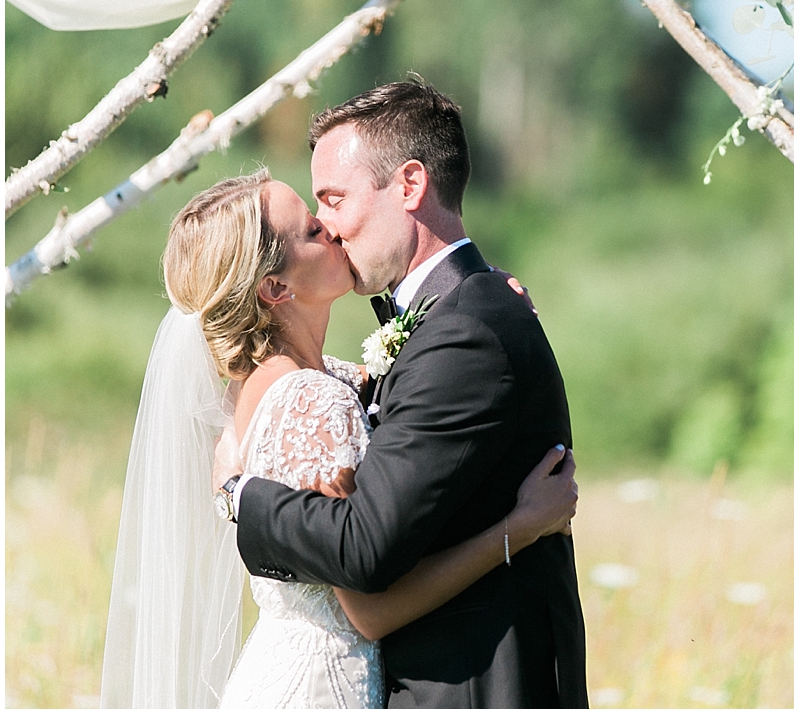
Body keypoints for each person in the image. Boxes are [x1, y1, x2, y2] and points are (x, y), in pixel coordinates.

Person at [101, 170, 578, 708]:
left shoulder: (296, 380)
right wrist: (519, 528)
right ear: (276, 288)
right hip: (320, 687)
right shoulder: (312, 403)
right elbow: (369, 612)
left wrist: (483, 297)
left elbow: (418, 374)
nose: (330, 227)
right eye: (309, 230)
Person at [218, 79, 589, 707]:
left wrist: (241, 495)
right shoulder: (450, 317)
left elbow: (364, 548)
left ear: (411, 185)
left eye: (334, 199)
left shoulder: (465, 332)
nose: (328, 227)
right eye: (316, 214)